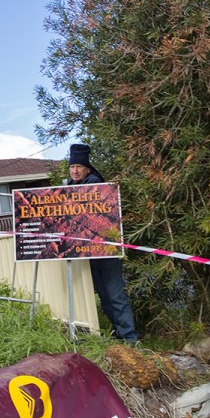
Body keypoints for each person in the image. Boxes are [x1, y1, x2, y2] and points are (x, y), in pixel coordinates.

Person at [66, 143, 140, 342]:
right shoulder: (67, 188)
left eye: (78, 167)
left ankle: (131, 338)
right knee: (104, 296)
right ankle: (119, 333)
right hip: (88, 252)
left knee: (115, 294)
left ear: (86, 169)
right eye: (72, 167)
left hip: (106, 250)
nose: (74, 171)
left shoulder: (95, 184)